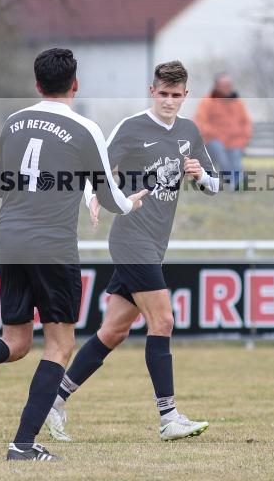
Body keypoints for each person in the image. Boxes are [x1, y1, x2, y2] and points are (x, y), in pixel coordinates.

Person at [0, 48, 147, 461]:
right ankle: (22, 444)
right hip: (52, 246)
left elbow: (4, 186)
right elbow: (110, 197)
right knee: (60, 345)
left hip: (10, 239)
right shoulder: (85, 128)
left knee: (16, 342)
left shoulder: (12, 121)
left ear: (37, 85)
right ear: (75, 84)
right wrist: (132, 204)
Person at [46, 60, 219, 443]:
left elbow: (216, 184)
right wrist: (93, 199)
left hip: (155, 244)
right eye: (163, 94)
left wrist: (200, 175)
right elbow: (98, 168)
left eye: (177, 95)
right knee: (164, 322)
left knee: (113, 331)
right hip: (130, 238)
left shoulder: (189, 131)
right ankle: (168, 416)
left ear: (185, 95)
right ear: (151, 91)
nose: (169, 101)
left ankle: (53, 401)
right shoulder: (132, 128)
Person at [194, 73, 252, 189]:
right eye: (225, 85)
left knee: (235, 155)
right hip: (213, 140)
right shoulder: (207, 102)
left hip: (235, 141)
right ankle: (233, 181)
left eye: (229, 85)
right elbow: (200, 124)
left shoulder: (237, 102)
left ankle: (235, 182)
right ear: (216, 86)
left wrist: (244, 139)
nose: (228, 88)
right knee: (220, 152)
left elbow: (246, 123)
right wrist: (218, 135)